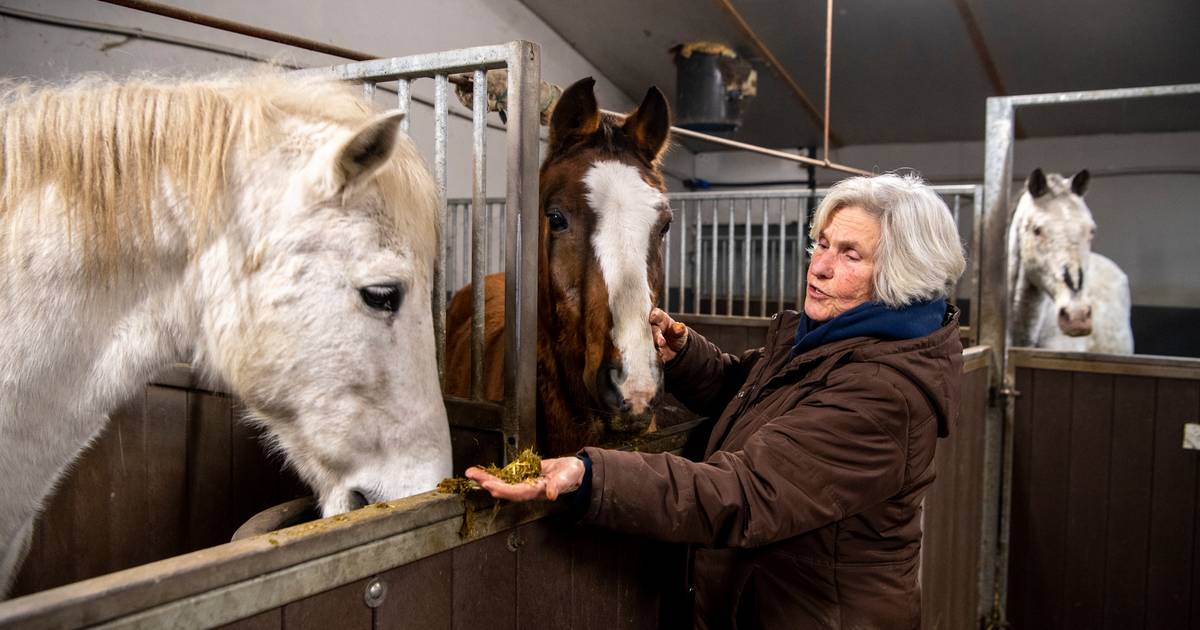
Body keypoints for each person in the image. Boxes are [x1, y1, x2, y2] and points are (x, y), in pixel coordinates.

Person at [466, 173, 967, 629]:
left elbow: (746, 493)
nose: (821, 267)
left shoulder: (882, 393)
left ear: (900, 276)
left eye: (850, 255)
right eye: (821, 244)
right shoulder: (828, 340)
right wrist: (685, 355)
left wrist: (592, 475)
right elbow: (747, 391)